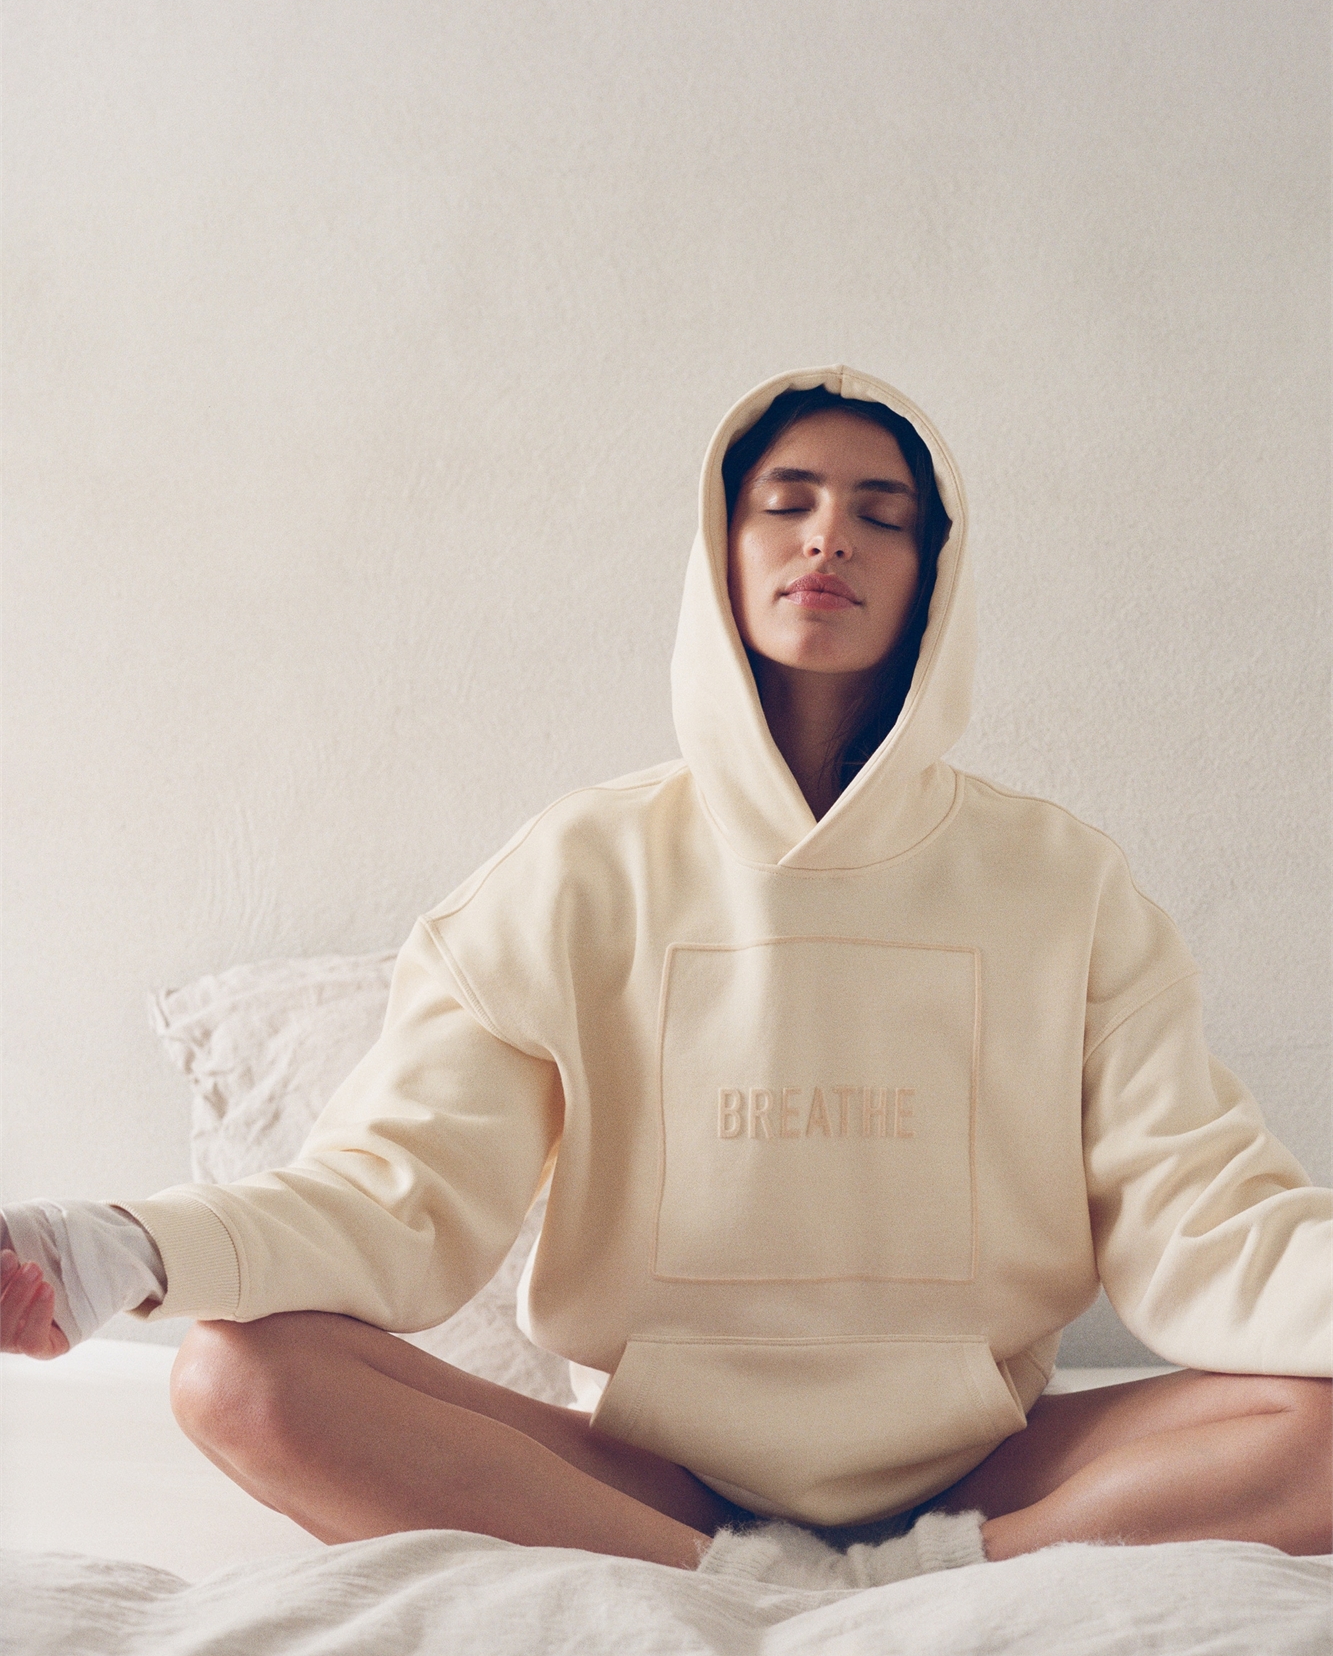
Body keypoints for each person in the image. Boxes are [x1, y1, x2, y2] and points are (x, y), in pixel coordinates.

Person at [4, 366, 1329, 1586]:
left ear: (934, 574)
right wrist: (110, 1248)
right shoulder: (578, 868)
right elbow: (394, 1195)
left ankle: (928, 1579)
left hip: (985, 1468)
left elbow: (1203, 1212)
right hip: (651, 1477)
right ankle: (726, 1584)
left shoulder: (1061, 882)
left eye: (879, 515)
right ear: (722, 548)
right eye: (786, 504)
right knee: (236, 1379)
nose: (828, 538)